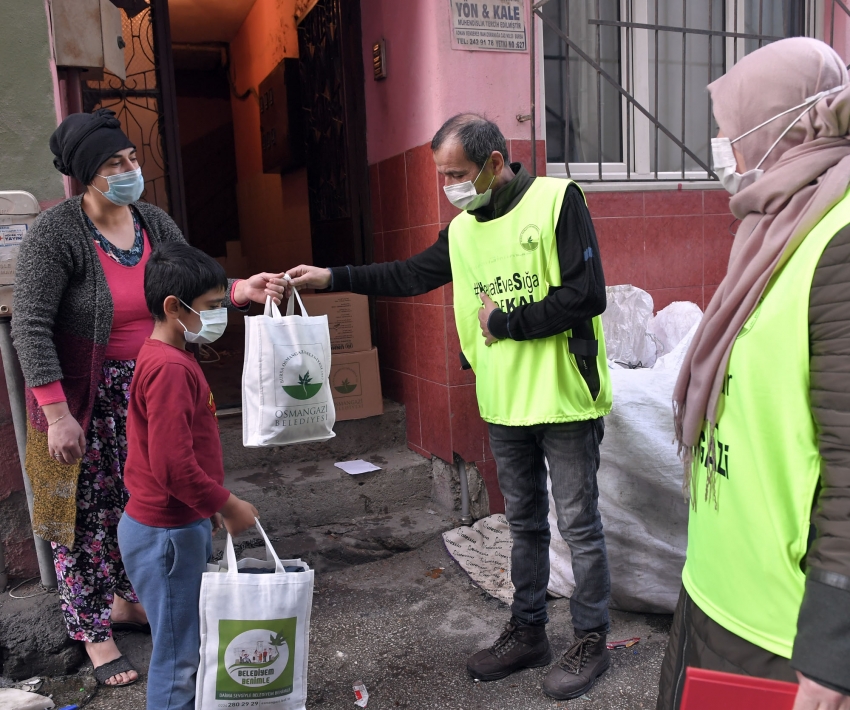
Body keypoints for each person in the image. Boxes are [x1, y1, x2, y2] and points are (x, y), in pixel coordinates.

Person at [286, 113, 613, 700]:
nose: (450, 187)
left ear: (494, 163)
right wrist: (331, 274)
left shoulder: (558, 201)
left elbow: (587, 296)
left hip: (564, 397)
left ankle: (590, 639)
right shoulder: (463, 230)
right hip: (504, 401)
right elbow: (410, 274)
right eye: (441, 175)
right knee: (525, 525)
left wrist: (504, 323)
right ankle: (529, 630)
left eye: (457, 174)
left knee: (580, 528)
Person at [11, 109, 287, 687]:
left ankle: (132, 602)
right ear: (87, 174)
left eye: (132, 157)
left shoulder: (152, 221)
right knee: (84, 518)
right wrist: (57, 415)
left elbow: (187, 283)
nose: (130, 169)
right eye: (115, 163)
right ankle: (93, 630)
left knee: (143, 507)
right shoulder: (56, 233)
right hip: (83, 398)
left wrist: (240, 290)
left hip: (151, 384)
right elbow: (30, 325)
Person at [657, 37, 850, 709]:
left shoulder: (840, 240)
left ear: (780, 129)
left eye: (731, 132)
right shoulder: (774, 228)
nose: (722, 147)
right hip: (717, 593)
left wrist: (834, 656)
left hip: (783, 636)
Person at [117, 242, 259, 710]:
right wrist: (225, 503)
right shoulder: (171, 368)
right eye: (213, 307)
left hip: (172, 524)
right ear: (173, 307)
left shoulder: (168, 356)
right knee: (177, 657)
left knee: (181, 645)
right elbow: (172, 465)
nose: (220, 316)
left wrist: (205, 508)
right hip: (166, 535)